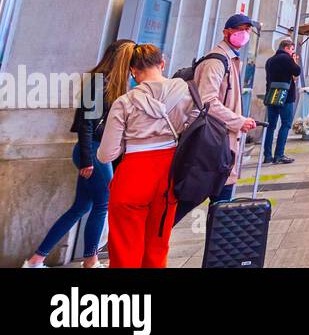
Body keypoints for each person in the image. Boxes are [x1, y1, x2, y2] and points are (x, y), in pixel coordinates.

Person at [23, 40, 135, 268]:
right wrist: (86, 159)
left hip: (95, 151)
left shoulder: (111, 83)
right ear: (122, 59)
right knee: (103, 204)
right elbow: (86, 124)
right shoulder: (97, 82)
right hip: (92, 152)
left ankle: (36, 260)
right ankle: (90, 261)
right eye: (131, 60)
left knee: (80, 207)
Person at [96, 43, 199, 268]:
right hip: (168, 174)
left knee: (125, 249)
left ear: (133, 70)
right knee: (157, 245)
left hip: (133, 173)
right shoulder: (187, 95)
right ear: (162, 64)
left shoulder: (124, 102)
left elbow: (106, 155)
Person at [172, 14, 257, 226]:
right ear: (226, 31)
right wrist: (238, 121)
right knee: (190, 198)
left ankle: (217, 252)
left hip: (222, 144)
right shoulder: (216, 61)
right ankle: (151, 240)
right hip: (211, 144)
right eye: (240, 29)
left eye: (247, 29)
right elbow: (207, 101)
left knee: (220, 206)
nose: (244, 34)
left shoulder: (231, 59)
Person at [262, 39, 300, 164]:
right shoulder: (287, 59)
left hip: (271, 96)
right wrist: (294, 61)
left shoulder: (270, 60)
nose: (292, 52)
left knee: (270, 126)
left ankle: (267, 155)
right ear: (287, 48)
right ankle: (279, 154)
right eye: (292, 49)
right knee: (285, 124)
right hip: (286, 97)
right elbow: (297, 71)